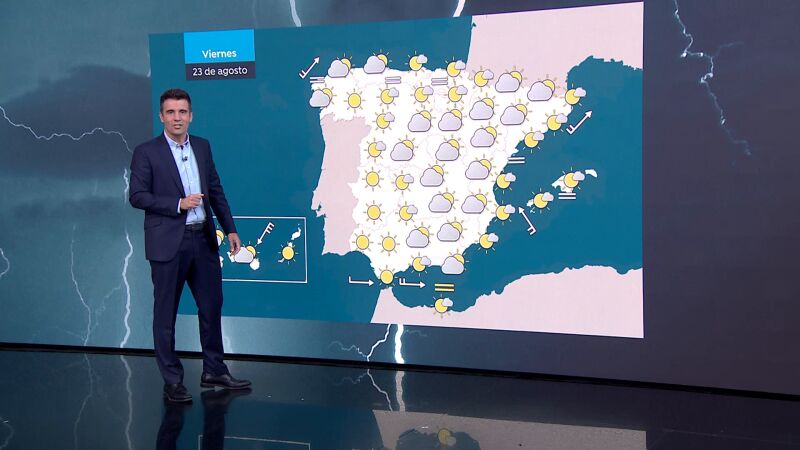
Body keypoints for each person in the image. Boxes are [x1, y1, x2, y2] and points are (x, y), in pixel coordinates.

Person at [130, 88, 250, 403]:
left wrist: (230, 228)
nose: (177, 118)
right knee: (165, 313)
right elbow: (137, 196)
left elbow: (215, 189)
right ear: (161, 116)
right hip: (168, 242)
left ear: (191, 115)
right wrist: (178, 204)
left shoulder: (202, 146)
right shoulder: (146, 152)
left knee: (211, 306)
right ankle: (172, 381)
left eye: (182, 112)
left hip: (204, 239)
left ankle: (214, 370)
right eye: (171, 112)